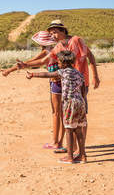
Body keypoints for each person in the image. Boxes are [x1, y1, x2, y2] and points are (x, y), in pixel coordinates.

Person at [18, 19, 99, 155]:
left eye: (55, 32)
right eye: (51, 33)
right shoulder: (58, 47)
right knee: (72, 116)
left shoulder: (77, 40)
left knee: (81, 115)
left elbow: (89, 56)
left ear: (63, 31)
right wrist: (25, 65)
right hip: (69, 86)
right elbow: (44, 60)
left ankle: (81, 149)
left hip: (81, 83)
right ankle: (73, 148)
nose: (53, 36)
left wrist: (95, 76)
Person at [3, 31, 64, 150]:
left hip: (57, 83)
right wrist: (11, 70)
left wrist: (12, 69)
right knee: (59, 113)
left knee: (57, 113)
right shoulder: (52, 50)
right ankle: (58, 142)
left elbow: (35, 62)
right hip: (57, 82)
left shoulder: (50, 52)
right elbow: (29, 62)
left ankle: (56, 142)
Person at [27, 50, 86, 164]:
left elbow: (48, 75)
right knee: (79, 130)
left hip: (70, 104)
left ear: (63, 63)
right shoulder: (79, 73)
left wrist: (33, 74)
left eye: (58, 61)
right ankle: (82, 156)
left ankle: (70, 157)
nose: (57, 63)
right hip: (80, 103)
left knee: (68, 130)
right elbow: (83, 91)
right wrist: (80, 101)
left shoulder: (63, 72)